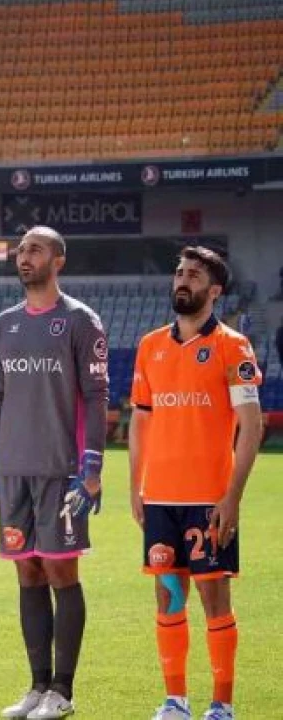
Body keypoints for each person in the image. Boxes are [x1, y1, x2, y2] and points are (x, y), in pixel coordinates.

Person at [0, 226, 109, 719]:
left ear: (58, 260)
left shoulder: (80, 320)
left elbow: (96, 397)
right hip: (14, 470)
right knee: (27, 571)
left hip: (61, 470)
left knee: (59, 570)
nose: (23, 255)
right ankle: (36, 687)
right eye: (20, 249)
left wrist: (91, 466)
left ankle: (63, 691)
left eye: (35, 249)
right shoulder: (4, 323)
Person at [130, 247, 263, 720]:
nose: (183, 280)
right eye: (180, 273)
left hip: (209, 500)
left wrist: (232, 498)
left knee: (214, 599)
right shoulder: (150, 346)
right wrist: (136, 487)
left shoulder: (233, 346)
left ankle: (222, 704)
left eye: (194, 275)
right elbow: (140, 421)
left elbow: (252, 426)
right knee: (168, 597)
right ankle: (175, 701)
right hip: (160, 499)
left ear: (215, 290)